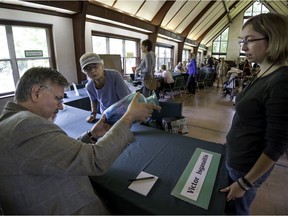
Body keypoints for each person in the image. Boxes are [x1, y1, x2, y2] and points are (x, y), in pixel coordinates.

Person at [0, 67, 160, 215]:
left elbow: (55, 155)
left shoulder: (10, 123)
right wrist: (129, 117)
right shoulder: (25, 124)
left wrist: (91, 135)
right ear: (36, 93)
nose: (60, 107)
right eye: (58, 99)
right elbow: (96, 160)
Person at [220, 13, 288, 215]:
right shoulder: (263, 72)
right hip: (237, 157)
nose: (243, 48)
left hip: (246, 169)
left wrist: (245, 183)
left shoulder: (281, 81)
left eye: (249, 41)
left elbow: (277, 144)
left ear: (273, 38)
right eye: (242, 41)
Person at [80, 52, 131, 123]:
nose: (92, 71)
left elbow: (126, 100)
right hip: (106, 116)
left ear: (102, 66)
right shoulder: (89, 86)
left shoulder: (115, 76)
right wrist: (93, 114)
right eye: (88, 69)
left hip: (123, 113)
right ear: (84, 72)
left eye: (95, 66)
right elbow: (93, 100)